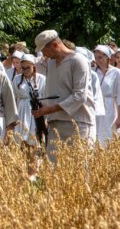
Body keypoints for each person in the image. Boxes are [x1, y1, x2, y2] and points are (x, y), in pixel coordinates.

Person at [32, 30, 96, 163]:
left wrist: (50, 109)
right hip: (55, 122)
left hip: (79, 123)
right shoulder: (50, 63)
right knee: (54, 171)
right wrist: (43, 107)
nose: (43, 54)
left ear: (55, 45)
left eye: (44, 50)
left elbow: (79, 96)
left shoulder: (78, 61)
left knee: (78, 170)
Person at [93, 45, 120, 144]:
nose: (97, 60)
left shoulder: (116, 73)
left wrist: (119, 117)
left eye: (100, 57)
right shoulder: (93, 72)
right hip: (96, 108)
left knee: (109, 137)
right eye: (95, 57)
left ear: (107, 57)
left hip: (110, 109)